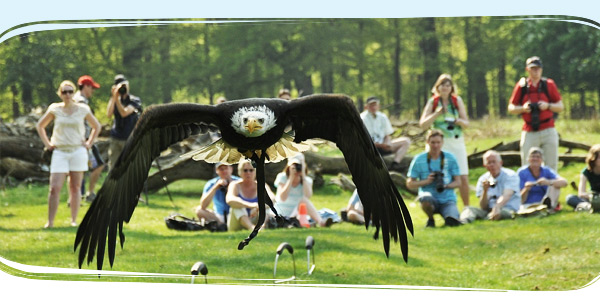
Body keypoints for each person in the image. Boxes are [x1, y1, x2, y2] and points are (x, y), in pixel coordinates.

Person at [35, 80, 101, 228]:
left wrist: (89, 143)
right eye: (64, 92)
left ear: (74, 93)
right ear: (60, 93)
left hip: (77, 150)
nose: (68, 95)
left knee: (75, 186)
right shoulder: (55, 109)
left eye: (70, 91)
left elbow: (96, 126)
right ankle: (50, 222)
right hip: (60, 151)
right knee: (54, 187)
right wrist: (48, 144)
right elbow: (40, 125)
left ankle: (73, 220)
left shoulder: (82, 109)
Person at [419, 74, 470, 207]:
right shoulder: (433, 102)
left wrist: (457, 121)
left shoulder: (457, 101)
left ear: (452, 87)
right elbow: (423, 124)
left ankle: (466, 207)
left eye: (448, 85)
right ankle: (436, 204)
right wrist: (437, 113)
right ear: (438, 87)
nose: (445, 88)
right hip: (438, 143)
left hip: (456, 140)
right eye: (443, 85)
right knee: (436, 174)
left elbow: (466, 123)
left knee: (463, 175)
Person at [508, 56, 563, 171]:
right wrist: (523, 108)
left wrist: (547, 106)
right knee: (527, 166)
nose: (536, 71)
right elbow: (511, 107)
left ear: (541, 69)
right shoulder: (522, 86)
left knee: (551, 166)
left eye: (538, 68)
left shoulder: (548, 84)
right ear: (527, 69)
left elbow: (560, 106)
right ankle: (529, 188)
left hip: (548, 129)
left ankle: (550, 188)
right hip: (529, 130)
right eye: (533, 68)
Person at [406, 129, 462, 227]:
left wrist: (446, 185)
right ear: (427, 142)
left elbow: (458, 182)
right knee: (425, 198)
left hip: (447, 199)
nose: (436, 145)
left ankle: (449, 215)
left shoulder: (450, 158)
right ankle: (431, 220)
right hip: (429, 197)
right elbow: (410, 183)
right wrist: (426, 181)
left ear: (442, 142)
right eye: (433, 142)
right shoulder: (419, 159)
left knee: (452, 220)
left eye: (438, 142)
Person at [460, 151, 521, 222]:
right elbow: (483, 206)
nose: (492, 165)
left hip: (507, 208)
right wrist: (485, 191)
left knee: (501, 213)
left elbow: (507, 195)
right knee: (468, 209)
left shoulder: (510, 175)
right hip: (488, 210)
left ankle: (487, 218)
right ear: (485, 166)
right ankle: (463, 221)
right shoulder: (483, 179)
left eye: (494, 162)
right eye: (489, 163)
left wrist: (497, 207)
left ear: (500, 163)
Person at [272, 155, 333, 227]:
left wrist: (303, 176)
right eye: (295, 166)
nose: (297, 168)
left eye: (299, 166)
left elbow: (308, 196)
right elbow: (283, 198)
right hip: (282, 210)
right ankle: (293, 223)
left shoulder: (307, 180)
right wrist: (291, 178)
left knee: (303, 200)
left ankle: (321, 222)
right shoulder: (282, 177)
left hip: (297, 211)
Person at [73, 75, 104, 202]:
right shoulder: (81, 101)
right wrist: (88, 141)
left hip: (79, 139)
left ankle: (76, 196)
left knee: (79, 168)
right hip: (84, 140)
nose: (93, 91)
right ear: (85, 86)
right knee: (98, 165)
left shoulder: (75, 99)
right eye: (92, 88)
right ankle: (88, 193)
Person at [361, 96, 411, 172]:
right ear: (366, 107)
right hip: (369, 148)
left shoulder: (382, 117)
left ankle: (395, 164)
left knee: (406, 141)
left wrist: (387, 143)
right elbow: (364, 140)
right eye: (371, 105)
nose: (373, 107)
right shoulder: (362, 118)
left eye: (375, 105)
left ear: (378, 106)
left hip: (383, 146)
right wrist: (381, 145)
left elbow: (387, 134)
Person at [106, 74, 142, 171]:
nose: (123, 89)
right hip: (116, 138)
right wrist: (114, 97)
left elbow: (124, 113)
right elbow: (108, 114)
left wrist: (117, 100)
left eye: (124, 86)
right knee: (113, 168)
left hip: (130, 138)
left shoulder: (134, 100)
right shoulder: (115, 99)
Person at [226, 160, 274, 231]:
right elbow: (230, 200)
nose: (248, 173)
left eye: (251, 170)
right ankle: (251, 228)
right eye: (245, 170)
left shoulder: (261, 185)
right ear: (240, 172)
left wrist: (257, 207)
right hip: (237, 223)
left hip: (255, 219)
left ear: (255, 172)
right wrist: (251, 205)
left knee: (266, 208)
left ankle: (261, 228)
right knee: (237, 207)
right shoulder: (235, 185)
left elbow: (272, 199)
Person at [517, 147, 567, 211]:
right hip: (527, 203)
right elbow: (518, 197)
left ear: (542, 160)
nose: (535, 159)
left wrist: (548, 182)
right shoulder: (522, 172)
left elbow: (564, 182)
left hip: (544, 201)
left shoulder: (546, 170)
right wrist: (526, 189)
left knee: (555, 185)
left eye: (538, 157)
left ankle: (550, 206)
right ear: (528, 159)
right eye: (532, 157)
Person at [195, 162, 239, 229]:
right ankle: (221, 226)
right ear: (216, 171)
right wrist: (216, 187)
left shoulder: (238, 182)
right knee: (199, 210)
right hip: (219, 215)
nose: (224, 171)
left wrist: (231, 186)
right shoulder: (211, 183)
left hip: (235, 214)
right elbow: (203, 206)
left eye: (226, 168)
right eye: (221, 169)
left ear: (231, 169)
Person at [566, 144, 600, 212]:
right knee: (570, 198)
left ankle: (586, 207)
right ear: (593, 158)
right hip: (592, 197)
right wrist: (592, 197)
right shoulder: (586, 172)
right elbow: (581, 193)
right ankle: (589, 207)